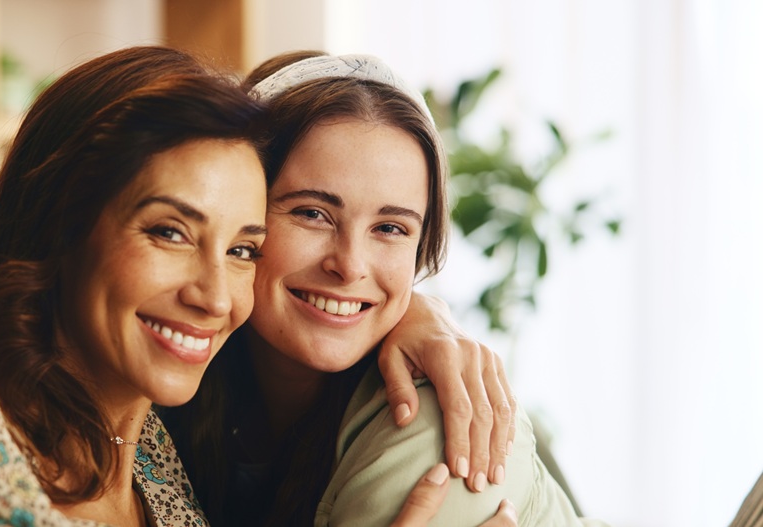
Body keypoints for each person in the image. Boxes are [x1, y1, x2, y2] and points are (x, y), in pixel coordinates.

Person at [0, 45, 509, 527]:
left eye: (243, 247)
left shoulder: (140, 438)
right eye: (169, 232)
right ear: (60, 226)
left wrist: (416, 311)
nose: (216, 294)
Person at [164, 52, 610, 526]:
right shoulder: (175, 375)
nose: (350, 265)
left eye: (391, 228)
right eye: (312, 213)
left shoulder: (434, 429)